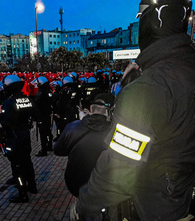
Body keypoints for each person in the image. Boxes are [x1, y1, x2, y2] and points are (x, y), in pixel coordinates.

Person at [71, 0, 195, 220]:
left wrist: (84, 206)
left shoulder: (149, 87)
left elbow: (118, 171)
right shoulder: (184, 68)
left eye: (141, 17)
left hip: (154, 206)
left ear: (154, 20)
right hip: (181, 195)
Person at [54, 93, 114, 197]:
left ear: (91, 109)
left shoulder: (72, 127)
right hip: (104, 186)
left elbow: (58, 150)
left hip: (75, 183)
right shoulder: (116, 132)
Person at [0, 75, 37, 203]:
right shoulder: (26, 98)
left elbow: (6, 122)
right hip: (25, 134)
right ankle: (32, 186)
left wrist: (0, 114)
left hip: (14, 137)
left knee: (17, 166)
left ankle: (22, 193)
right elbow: (33, 114)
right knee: (27, 161)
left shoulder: (9, 102)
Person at [31, 76, 53, 157]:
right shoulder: (48, 91)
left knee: (42, 133)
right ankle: (49, 146)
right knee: (48, 131)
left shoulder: (40, 92)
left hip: (41, 115)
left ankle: (43, 150)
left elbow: (36, 105)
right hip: (47, 114)